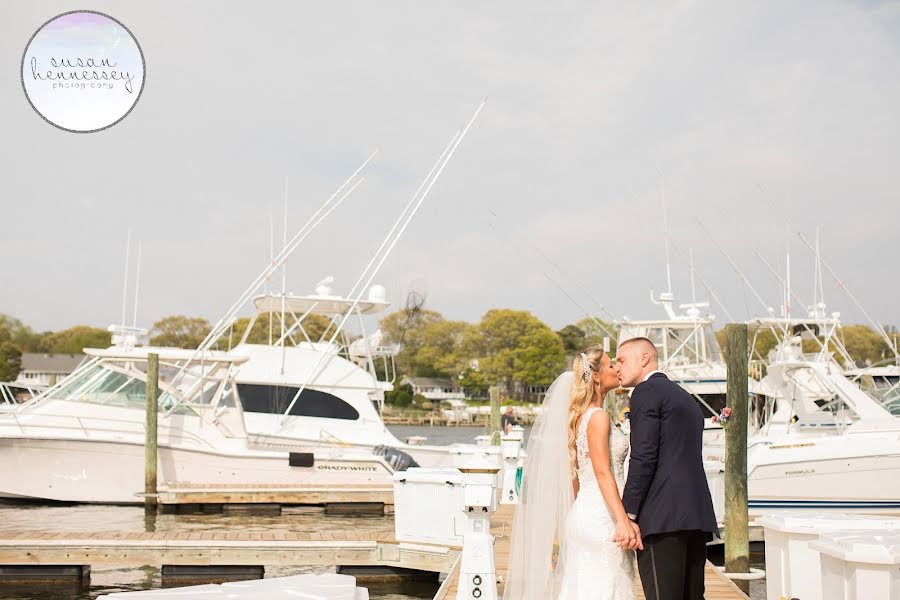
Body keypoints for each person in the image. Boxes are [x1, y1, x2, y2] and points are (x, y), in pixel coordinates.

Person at [504, 345, 637, 600]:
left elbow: (576, 476)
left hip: (583, 514)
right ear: (596, 376)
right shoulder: (598, 417)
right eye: (611, 365)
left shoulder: (579, 418)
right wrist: (623, 521)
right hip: (603, 517)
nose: (617, 368)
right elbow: (602, 473)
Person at [615, 337, 718, 600]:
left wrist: (629, 514)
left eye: (622, 360)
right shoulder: (683, 396)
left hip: (662, 518)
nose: (618, 367)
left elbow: (645, 454)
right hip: (695, 515)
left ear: (644, 358)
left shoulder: (646, 392)